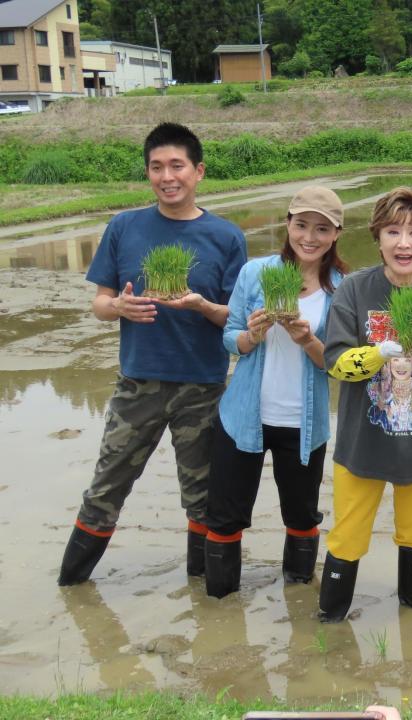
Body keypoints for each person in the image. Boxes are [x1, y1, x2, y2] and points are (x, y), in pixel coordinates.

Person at [57, 123, 247, 586]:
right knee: (106, 488)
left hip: (202, 388)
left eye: (177, 166)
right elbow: (100, 303)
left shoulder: (226, 236)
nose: (167, 176)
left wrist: (202, 306)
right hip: (138, 384)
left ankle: (205, 593)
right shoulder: (124, 227)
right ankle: (71, 586)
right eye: (157, 167)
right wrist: (118, 307)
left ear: (198, 171)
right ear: (148, 173)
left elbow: (236, 319)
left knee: (202, 497)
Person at [317, 188, 412, 622]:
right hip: (361, 441)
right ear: (378, 237)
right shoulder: (354, 289)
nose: (404, 243)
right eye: (393, 232)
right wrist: (379, 353)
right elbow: (336, 364)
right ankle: (329, 621)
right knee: (347, 535)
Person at [203, 186, 348, 598]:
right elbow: (230, 338)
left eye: (322, 229)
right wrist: (252, 335)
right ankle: (220, 606)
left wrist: (307, 339)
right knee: (225, 516)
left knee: (302, 516)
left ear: (336, 234)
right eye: (301, 225)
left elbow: (337, 364)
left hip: (303, 424)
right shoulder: (255, 273)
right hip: (243, 417)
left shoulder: (342, 288)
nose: (309, 237)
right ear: (287, 224)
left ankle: (298, 600)